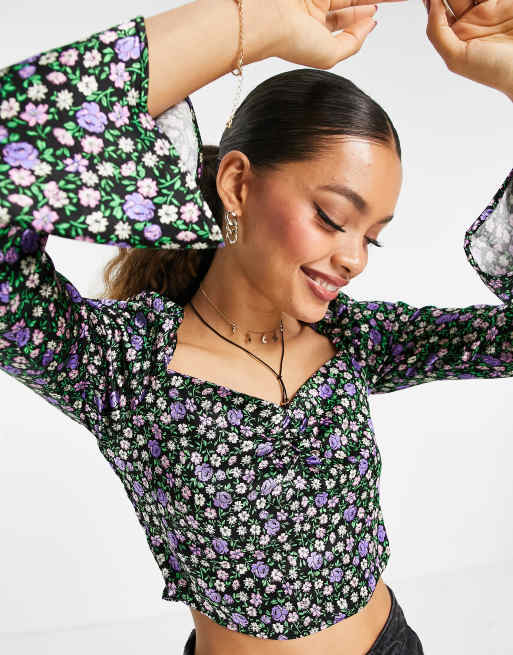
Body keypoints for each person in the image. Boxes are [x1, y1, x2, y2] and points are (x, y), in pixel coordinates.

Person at [1, 0, 512, 653]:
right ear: (237, 183)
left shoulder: (353, 338)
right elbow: (14, 137)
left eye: (371, 237)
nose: (354, 259)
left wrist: (510, 76)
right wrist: (257, 21)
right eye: (332, 218)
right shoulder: (119, 363)